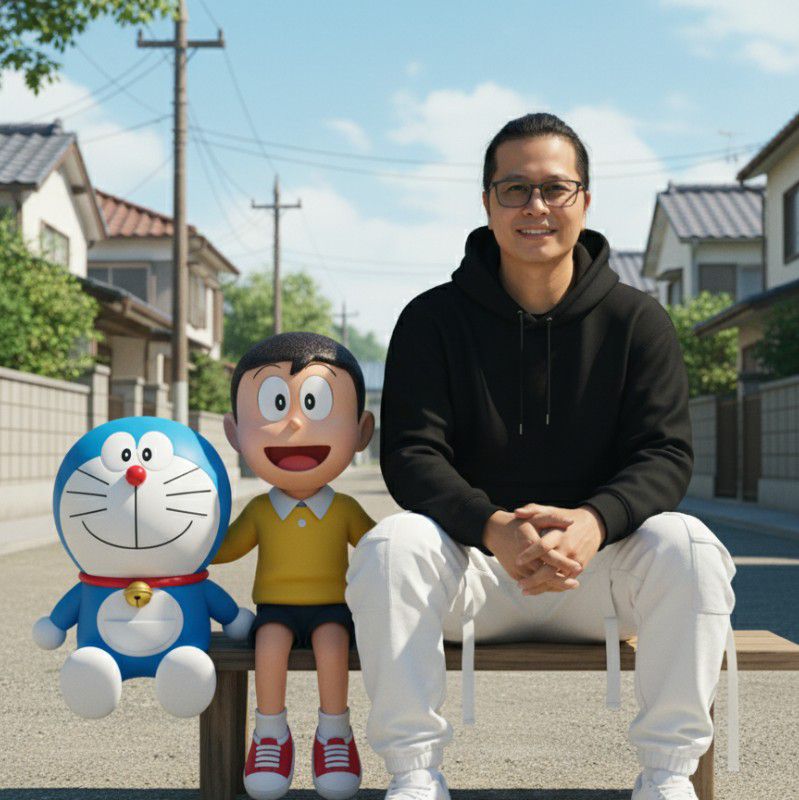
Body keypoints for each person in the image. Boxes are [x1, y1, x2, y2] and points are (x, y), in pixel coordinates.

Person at [345, 113, 737, 800]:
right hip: (475, 571)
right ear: (487, 202)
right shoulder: (432, 320)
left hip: (601, 575)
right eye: (514, 189)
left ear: (584, 200)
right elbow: (411, 454)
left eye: (555, 188)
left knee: (691, 546)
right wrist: (493, 527)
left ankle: (666, 774)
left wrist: (593, 522)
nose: (535, 206)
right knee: (390, 547)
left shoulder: (637, 321)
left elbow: (665, 453)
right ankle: (413, 773)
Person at [214, 332, 376, 800]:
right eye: (276, 405)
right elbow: (227, 548)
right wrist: (187, 543)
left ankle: (335, 734)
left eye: (314, 404)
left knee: (333, 646)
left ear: (362, 431)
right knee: (268, 646)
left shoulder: (344, 509)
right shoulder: (261, 511)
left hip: (332, 608)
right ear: (234, 433)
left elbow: (376, 548)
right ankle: (270, 734)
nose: (294, 423)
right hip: (275, 609)